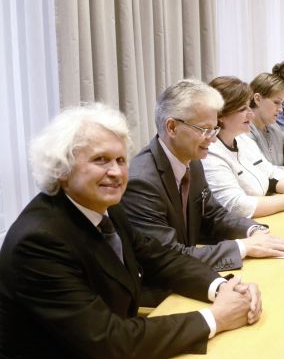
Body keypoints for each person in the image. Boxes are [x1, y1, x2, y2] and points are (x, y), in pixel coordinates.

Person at [0, 104, 262, 358]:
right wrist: (215, 318)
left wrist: (222, 288)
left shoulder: (105, 207)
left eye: (121, 160)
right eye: (101, 160)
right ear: (62, 169)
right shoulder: (39, 241)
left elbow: (161, 259)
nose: (116, 172)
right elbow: (108, 341)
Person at [121, 79, 284, 289]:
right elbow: (169, 256)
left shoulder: (192, 159)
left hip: (191, 274)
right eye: (204, 129)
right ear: (172, 127)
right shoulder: (141, 182)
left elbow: (213, 215)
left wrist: (253, 230)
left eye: (214, 129)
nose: (212, 139)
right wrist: (243, 247)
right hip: (160, 290)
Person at [203, 76, 284, 218]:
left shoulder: (242, 139)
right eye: (243, 109)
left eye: (249, 107)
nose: (251, 114)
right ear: (220, 115)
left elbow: (271, 172)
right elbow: (238, 206)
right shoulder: (210, 153)